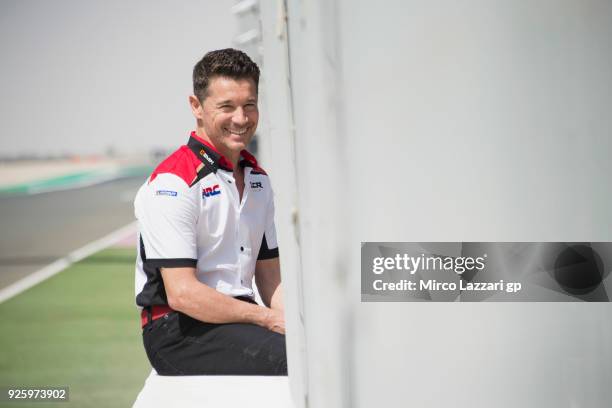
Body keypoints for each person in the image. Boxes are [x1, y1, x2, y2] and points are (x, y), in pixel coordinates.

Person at [133, 48, 287, 375]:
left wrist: (295, 323)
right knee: (296, 359)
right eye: (226, 107)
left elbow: (271, 282)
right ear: (196, 107)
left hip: (239, 320)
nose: (241, 119)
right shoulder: (172, 183)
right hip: (177, 331)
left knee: (322, 345)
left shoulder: (259, 180)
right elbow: (183, 294)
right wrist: (268, 318)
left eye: (249, 105)